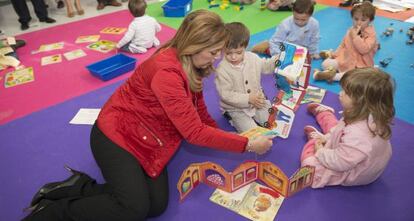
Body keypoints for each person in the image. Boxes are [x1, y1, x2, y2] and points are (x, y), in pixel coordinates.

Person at [22, 10, 275, 221]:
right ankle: (53, 212)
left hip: (151, 139)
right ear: (196, 45)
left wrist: (227, 135)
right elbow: (194, 132)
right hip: (116, 136)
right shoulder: (167, 71)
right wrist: (247, 144)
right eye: (214, 51)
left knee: (155, 206)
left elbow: (200, 115)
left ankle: (77, 187)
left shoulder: (193, 63)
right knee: (134, 208)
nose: (218, 57)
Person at [300, 67, 394, 188]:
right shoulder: (367, 113)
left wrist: (320, 151)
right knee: (334, 128)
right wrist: (328, 137)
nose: (340, 93)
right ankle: (324, 114)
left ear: (362, 102)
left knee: (309, 170)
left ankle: (313, 141)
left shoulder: (358, 135)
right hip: (348, 149)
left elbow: (340, 163)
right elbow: (340, 129)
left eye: (346, 92)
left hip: (352, 170)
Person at [215, 22, 278, 133]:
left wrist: (277, 61)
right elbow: (226, 95)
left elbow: (266, 66)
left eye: (239, 52)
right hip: (235, 108)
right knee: (252, 133)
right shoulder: (222, 70)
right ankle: (231, 117)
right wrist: (248, 99)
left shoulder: (253, 58)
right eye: (228, 53)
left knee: (273, 123)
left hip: (258, 102)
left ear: (245, 47)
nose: (234, 57)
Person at [314, 1, 378, 83]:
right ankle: (329, 68)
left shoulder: (371, 34)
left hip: (360, 65)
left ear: (370, 20)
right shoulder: (351, 30)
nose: (359, 22)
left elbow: (364, 49)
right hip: (346, 60)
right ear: (352, 18)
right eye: (356, 19)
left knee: (353, 77)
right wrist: (335, 55)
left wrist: (355, 37)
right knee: (325, 64)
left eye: (363, 20)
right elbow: (343, 44)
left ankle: (332, 76)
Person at [251, 0, 320, 59]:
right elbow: (276, 42)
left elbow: (314, 39)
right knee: (272, 48)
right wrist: (278, 55)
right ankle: (265, 46)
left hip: (300, 49)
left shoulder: (314, 24)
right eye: (296, 18)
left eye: (303, 20)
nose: (299, 22)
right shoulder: (285, 24)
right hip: (284, 47)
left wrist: (312, 52)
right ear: (292, 12)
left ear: (311, 15)